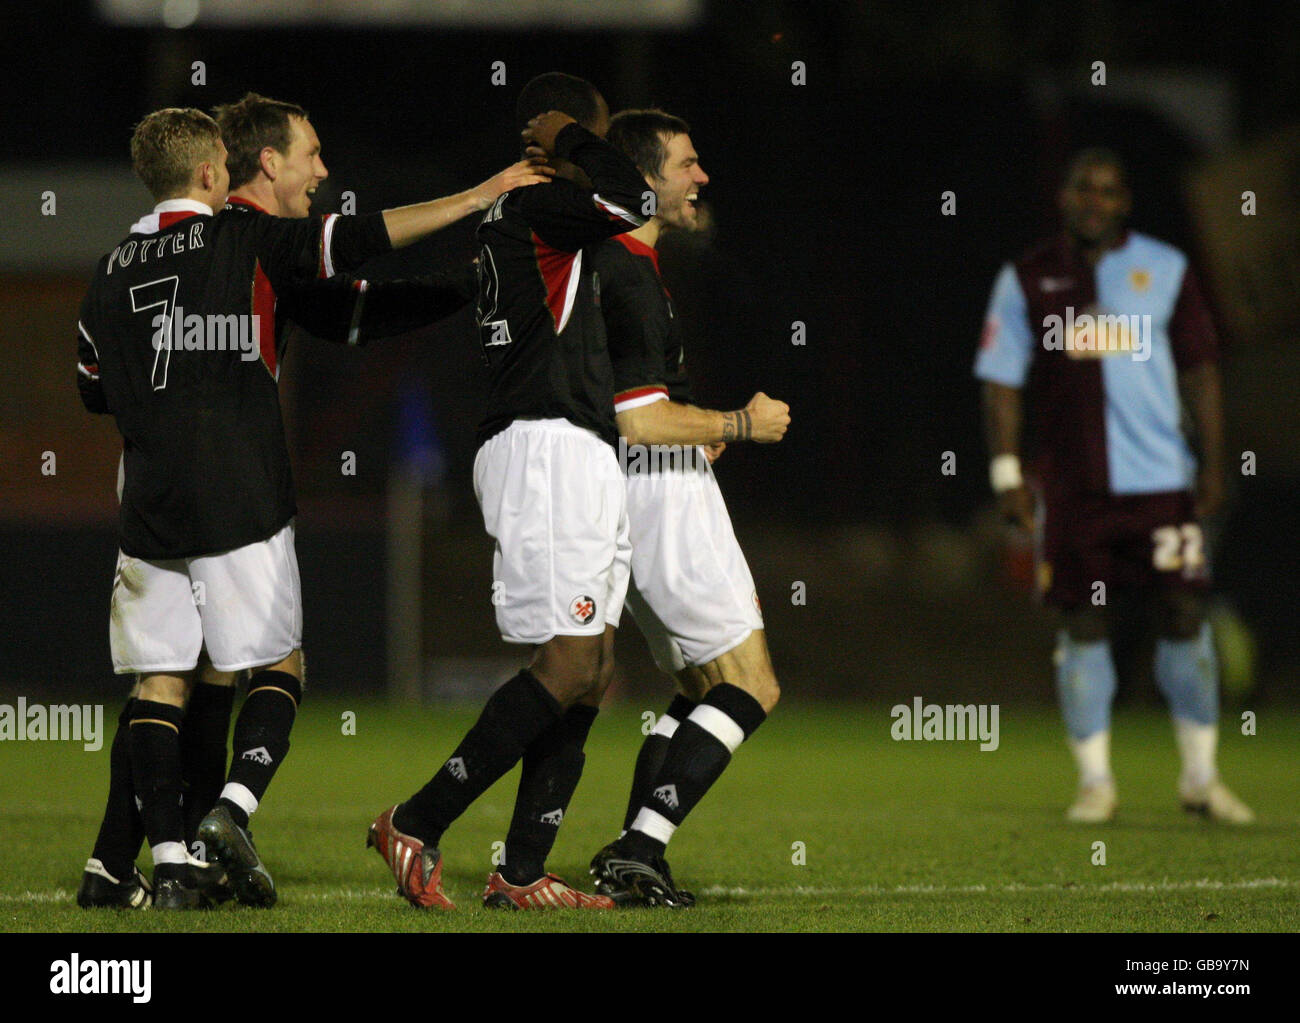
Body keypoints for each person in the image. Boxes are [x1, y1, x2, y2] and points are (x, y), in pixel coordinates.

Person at [76, 106, 548, 910]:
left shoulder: (113, 263)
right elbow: (363, 239)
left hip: (148, 495)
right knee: (276, 663)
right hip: (239, 491)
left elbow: (91, 386)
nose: (323, 171)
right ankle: (230, 811)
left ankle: (155, 862)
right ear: (217, 174)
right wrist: (481, 196)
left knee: (163, 682)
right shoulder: (246, 238)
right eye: (313, 154)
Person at [367, 72, 649, 911]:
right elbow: (633, 199)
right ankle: (415, 819)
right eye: (590, 140)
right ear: (562, 137)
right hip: (546, 445)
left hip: (567, 444)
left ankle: (522, 870)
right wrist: (570, 139)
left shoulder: (525, 217)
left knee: (593, 667)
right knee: (567, 660)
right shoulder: (539, 205)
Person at [974, 147, 1253, 825]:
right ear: (1065, 197)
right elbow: (1002, 380)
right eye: (1082, 188)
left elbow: (1201, 372)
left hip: (1161, 484)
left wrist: (1214, 466)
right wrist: (1009, 473)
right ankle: (1096, 781)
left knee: (1185, 615)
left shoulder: (1166, 269)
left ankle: (1200, 777)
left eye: (1107, 190)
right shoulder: (1028, 277)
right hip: (1072, 490)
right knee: (1082, 622)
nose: (1094, 200)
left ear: (1125, 201)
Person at [560, 109, 789, 907]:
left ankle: (635, 850)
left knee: (697, 687)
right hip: (660, 497)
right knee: (750, 683)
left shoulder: (616, 265)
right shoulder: (625, 268)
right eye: (686, 164)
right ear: (645, 181)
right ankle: (639, 845)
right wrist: (740, 424)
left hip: (644, 485)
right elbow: (637, 418)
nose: (701, 178)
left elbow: (643, 407)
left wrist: (696, 434)